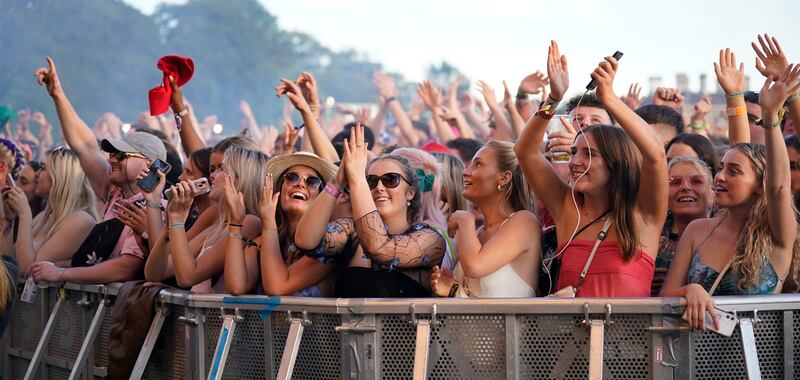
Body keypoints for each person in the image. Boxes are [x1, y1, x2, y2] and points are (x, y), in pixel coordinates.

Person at [516, 41, 667, 297]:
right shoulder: (567, 207)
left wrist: (609, 99)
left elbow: (656, 155)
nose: (575, 162)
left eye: (589, 154)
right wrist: (554, 99)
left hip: (631, 338)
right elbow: (525, 151)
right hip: (570, 337)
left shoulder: (644, 215)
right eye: (574, 152)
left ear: (616, 163)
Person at [661, 65, 800, 330]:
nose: (721, 177)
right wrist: (689, 290)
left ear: (761, 185)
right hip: (695, 360)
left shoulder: (777, 234)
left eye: (734, 171)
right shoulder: (697, 231)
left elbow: (780, 187)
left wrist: (771, 117)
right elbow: (665, 296)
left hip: (755, 363)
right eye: (721, 168)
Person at [30, 57, 167, 284]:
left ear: (150, 163)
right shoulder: (114, 191)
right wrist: (57, 94)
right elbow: (84, 146)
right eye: (112, 153)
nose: (112, 158)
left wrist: (62, 274)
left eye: (122, 154)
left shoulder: (153, 209)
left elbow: (126, 268)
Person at [295, 125, 446, 297]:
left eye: (391, 180)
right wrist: (337, 181)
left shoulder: (430, 239)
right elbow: (305, 240)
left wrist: (358, 178)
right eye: (371, 181)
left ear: (410, 193)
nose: (379, 187)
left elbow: (379, 248)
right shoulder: (352, 231)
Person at [144, 147, 265, 293]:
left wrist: (177, 221)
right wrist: (169, 225)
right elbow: (155, 273)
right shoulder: (219, 221)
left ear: (239, 179)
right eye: (213, 169)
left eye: (221, 169)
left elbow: (187, 278)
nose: (212, 176)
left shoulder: (250, 222)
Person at [431, 141, 540, 297]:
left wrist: (465, 219)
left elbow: (475, 266)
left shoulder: (524, 221)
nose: (465, 172)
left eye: (478, 165)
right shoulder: (478, 233)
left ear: (504, 178)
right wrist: (453, 289)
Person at [224, 151, 338, 296]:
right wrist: (235, 223)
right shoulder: (260, 243)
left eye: (312, 181)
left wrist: (269, 223)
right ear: (279, 189)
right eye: (292, 177)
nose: (300, 184)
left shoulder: (330, 244)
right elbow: (236, 287)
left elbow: (276, 288)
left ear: (321, 197)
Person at [7, 148, 98, 275]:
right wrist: (8, 220)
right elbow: (9, 262)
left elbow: (27, 269)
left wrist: (24, 215)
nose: (37, 174)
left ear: (60, 176)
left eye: (43, 168)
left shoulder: (81, 220)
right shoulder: (43, 217)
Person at [652, 157, 714, 295]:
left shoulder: (727, 233)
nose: (685, 187)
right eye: (675, 182)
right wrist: (644, 279)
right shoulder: (651, 239)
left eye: (696, 181)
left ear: (712, 191)